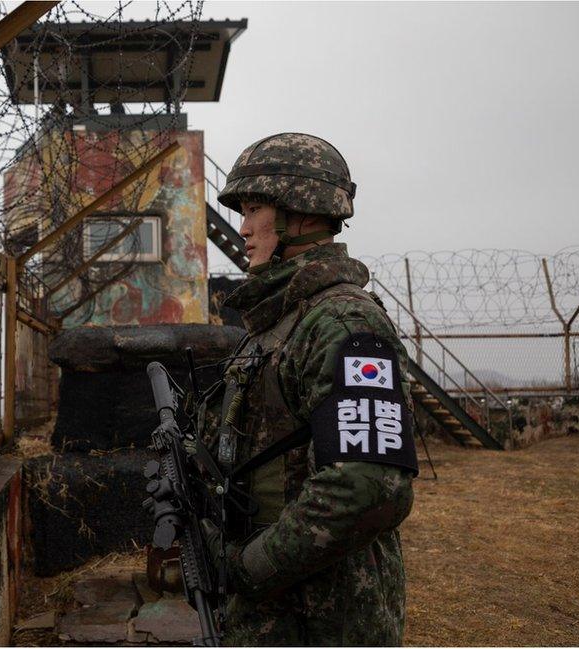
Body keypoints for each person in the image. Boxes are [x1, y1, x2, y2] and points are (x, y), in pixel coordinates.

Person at [201, 133, 419, 646]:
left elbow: (368, 488)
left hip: (322, 617)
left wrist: (249, 567)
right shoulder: (280, 319)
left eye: (255, 208)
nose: (244, 226)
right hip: (275, 612)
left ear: (298, 215)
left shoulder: (341, 322)